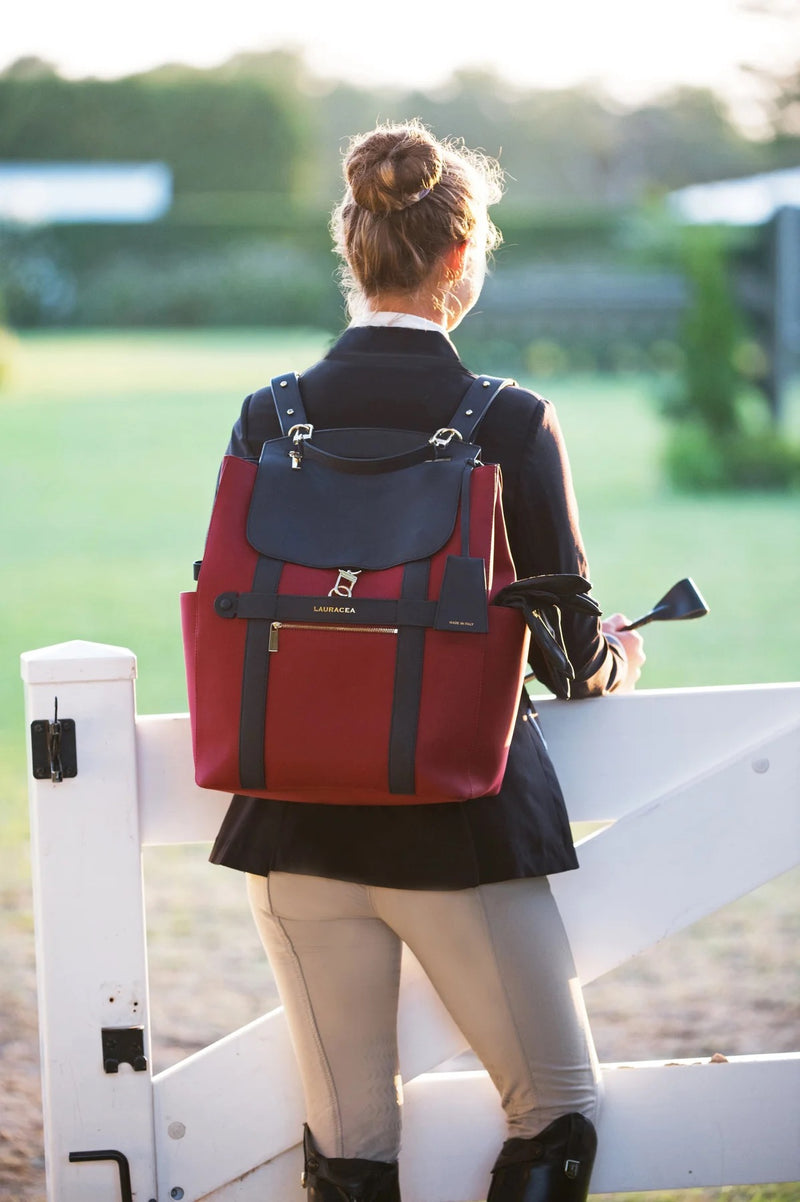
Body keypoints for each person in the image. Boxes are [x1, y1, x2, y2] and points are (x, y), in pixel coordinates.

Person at [209, 120, 645, 1202]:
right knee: (553, 1119)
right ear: (460, 259)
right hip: (460, 827)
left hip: (293, 826)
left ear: (350, 250)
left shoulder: (268, 414)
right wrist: (613, 661)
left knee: (348, 1145)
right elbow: (566, 649)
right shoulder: (510, 418)